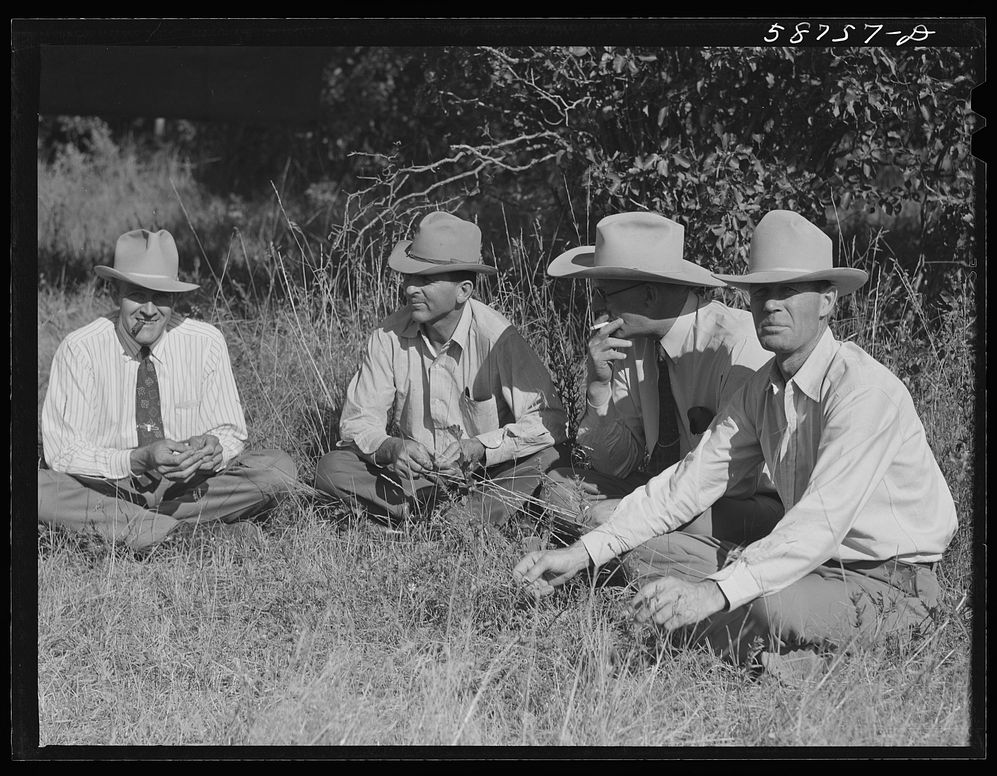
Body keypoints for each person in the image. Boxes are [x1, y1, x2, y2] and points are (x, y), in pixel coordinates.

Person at [515, 209, 957, 671]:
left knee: (763, 603)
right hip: (808, 565)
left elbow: (819, 523)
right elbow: (686, 484)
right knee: (649, 551)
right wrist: (580, 554)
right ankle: (761, 644)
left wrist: (713, 590)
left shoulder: (864, 392)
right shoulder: (762, 389)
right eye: (760, 291)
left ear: (827, 301)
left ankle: (793, 657)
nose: (770, 305)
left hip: (889, 581)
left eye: (787, 291)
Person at [38, 228, 299, 550]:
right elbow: (62, 454)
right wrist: (137, 459)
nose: (149, 309)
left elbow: (231, 431)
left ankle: (134, 528)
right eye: (137, 294)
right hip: (108, 487)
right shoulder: (80, 348)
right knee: (33, 487)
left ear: (175, 298)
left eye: (161, 296)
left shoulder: (205, 342)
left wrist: (214, 449)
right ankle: (185, 534)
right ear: (114, 291)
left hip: (186, 489)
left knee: (278, 470)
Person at [540, 211, 782, 552]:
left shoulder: (737, 345)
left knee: (633, 526)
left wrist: (634, 510)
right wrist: (598, 385)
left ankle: (631, 550)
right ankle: (626, 548)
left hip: (737, 502)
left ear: (650, 295)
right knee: (558, 486)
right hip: (664, 491)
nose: (597, 309)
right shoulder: (632, 343)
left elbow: (735, 480)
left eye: (605, 295)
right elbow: (617, 463)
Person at [314, 211, 568, 527]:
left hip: (488, 475)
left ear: (463, 290)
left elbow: (551, 422)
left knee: (550, 457)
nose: (409, 289)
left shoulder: (497, 338)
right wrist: (392, 448)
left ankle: (445, 518)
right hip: (417, 479)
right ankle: (459, 519)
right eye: (408, 278)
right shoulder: (387, 337)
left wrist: (483, 448)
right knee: (332, 468)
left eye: (425, 280)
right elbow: (358, 421)